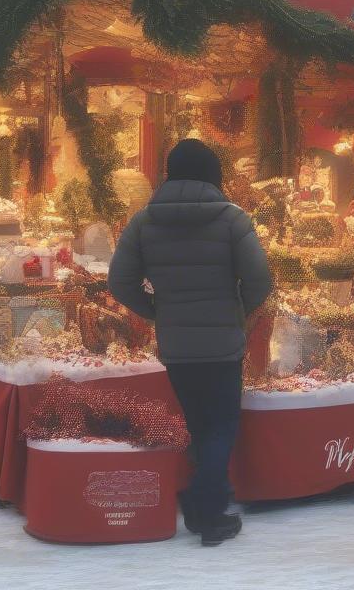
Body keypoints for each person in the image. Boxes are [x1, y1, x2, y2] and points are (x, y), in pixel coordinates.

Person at [109, 139, 272, 546]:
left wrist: (156, 310)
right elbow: (260, 280)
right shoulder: (233, 219)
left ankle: (207, 502)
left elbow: (119, 281)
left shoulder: (143, 221)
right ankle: (208, 511)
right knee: (222, 426)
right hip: (223, 342)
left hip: (177, 344)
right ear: (212, 175)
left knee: (200, 424)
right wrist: (237, 312)